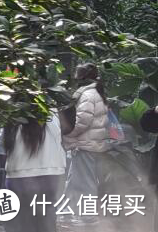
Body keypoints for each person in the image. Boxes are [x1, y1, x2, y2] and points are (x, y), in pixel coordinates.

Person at [2, 111, 67, 232]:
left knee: (19, 222)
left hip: (18, 175)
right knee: (46, 220)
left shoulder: (13, 113)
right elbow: (64, 134)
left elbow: (2, 143)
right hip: (51, 173)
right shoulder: (52, 113)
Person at [62, 64, 111, 224]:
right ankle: (66, 212)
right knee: (73, 180)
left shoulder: (88, 94)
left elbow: (82, 121)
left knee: (85, 182)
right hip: (91, 144)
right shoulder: (96, 92)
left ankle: (88, 217)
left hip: (85, 145)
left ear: (82, 77)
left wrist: (67, 134)